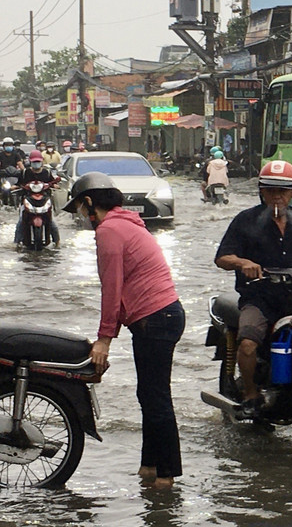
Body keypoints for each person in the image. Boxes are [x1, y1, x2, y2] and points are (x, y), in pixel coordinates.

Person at [62, 172, 184, 489]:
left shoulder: (110, 231)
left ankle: (166, 476)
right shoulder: (126, 223)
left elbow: (111, 289)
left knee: (156, 398)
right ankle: (150, 466)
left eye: (78, 208)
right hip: (164, 315)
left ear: (89, 203)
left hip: (156, 318)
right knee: (148, 394)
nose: (80, 217)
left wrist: (104, 340)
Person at [214, 161, 292, 418]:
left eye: (283, 190)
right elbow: (222, 258)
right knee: (247, 345)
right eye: (271, 190)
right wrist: (243, 262)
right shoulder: (245, 220)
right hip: (259, 298)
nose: (277, 196)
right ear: (261, 191)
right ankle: (251, 393)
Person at [14, 150, 61, 249]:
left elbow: (53, 182)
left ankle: (57, 242)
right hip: (28, 199)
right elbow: (19, 184)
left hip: (44, 200)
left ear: (42, 161)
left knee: (51, 222)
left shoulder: (46, 172)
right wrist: (15, 187)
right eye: (34, 162)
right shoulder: (25, 172)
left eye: (38, 161)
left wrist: (55, 185)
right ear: (30, 162)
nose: (36, 164)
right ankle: (17, 243)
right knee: (21, 222)